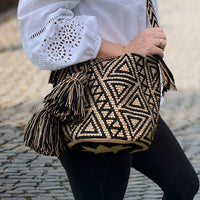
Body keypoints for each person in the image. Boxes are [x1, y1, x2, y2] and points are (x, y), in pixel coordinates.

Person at [18, 0, 199, 199]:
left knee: (183, 185)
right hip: (89, 104)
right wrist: (123, 50)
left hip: (130, 101)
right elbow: (38, 24)